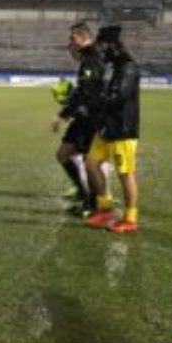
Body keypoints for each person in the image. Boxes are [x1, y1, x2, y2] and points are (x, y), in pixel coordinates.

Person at [84, 25, 141, 233]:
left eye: (102, 45)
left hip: (122, 129)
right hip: (106, 126)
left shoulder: (128, 66)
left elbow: (119, 97)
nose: (100, 49)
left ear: (111, 45)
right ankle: (105, 209)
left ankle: (131, 219)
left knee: (126, 173)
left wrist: (94, 102)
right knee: (91, 164)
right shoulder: (110, 65)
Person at [52, 22, 106, 213]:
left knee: (89, 163)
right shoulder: (88, 59)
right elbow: (83, 92)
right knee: (63, 154)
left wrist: (62, 115)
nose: (70, 42)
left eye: (73, 38)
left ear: (84, 37)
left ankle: (94, 204)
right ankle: (84, 195)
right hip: (82, 118)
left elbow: (86, 95)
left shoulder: (93, 60)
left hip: (91, 119)